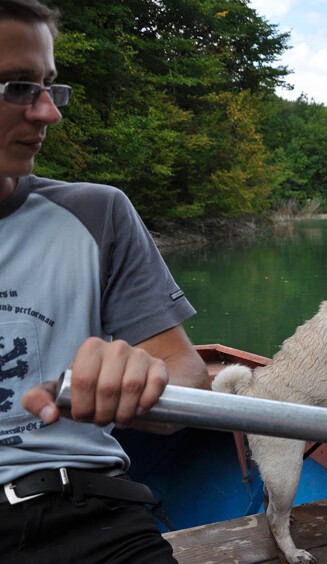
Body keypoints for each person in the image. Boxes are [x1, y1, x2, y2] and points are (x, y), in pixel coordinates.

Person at [0, 0, 210, 561]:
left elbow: (188, 373)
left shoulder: (98, 214)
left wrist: (148, 380)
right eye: (17, 87)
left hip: (87, 513)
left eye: (48, 86)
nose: (49, 113)